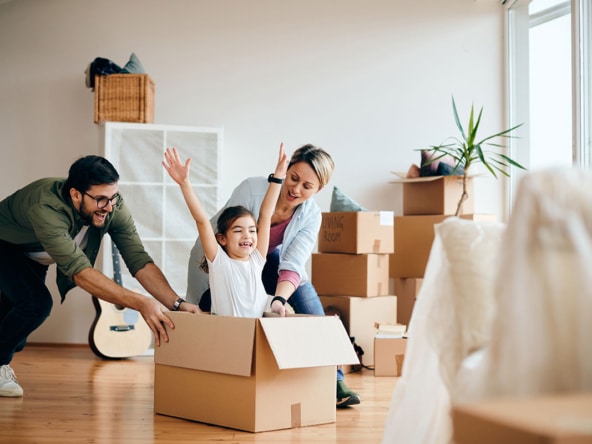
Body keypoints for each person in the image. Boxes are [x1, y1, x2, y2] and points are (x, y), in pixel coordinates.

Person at [0, 155, 200, 398]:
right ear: (76, 194)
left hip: (35, 257)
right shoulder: (46, 206)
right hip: (6, 246)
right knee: (35, 305)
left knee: (13, 330)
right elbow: (80, 272)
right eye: (101, 199)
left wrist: (177, 304)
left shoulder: (112, 205)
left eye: (113, 197)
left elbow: (138, 259)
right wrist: (140, 303)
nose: (109, 206)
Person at [185, 143, 361, 408]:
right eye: (293, 178)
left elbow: (292, 263)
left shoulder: (311, 215)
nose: (296, 189)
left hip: (261, 259)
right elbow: (229, 231)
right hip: (221, 257)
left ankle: (333, 378)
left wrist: (278, 300)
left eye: (307, 186)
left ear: (319, 190)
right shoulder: (252, 190)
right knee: (210, 317)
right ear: (286, 170)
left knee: (305, 294)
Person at [163, 145, 288, 317]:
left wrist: (278, 177)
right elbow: (202, 222)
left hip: (255, 333)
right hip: (227, 334)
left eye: (252, 231)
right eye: (238, 230)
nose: (247, 235)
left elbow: (265, 215)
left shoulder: (257, 260)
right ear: (222, 239)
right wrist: (185, 184)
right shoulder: (219, 262)